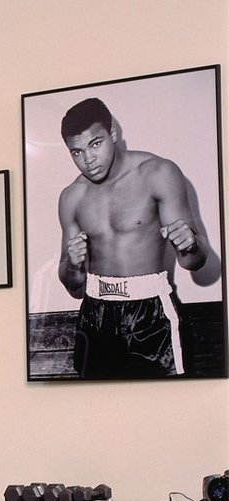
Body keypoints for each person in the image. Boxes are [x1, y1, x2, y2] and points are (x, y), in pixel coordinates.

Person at [57, 97, 213, 378]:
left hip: (151, 315)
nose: (88, 160)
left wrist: (189, 243)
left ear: (113, 133)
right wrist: (72, 265)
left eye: (95, 144)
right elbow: (73, 286)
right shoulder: (71, 197)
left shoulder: (158, 173)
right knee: (97, 411)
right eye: (77, 152)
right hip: (94, 313)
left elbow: (196, 263)